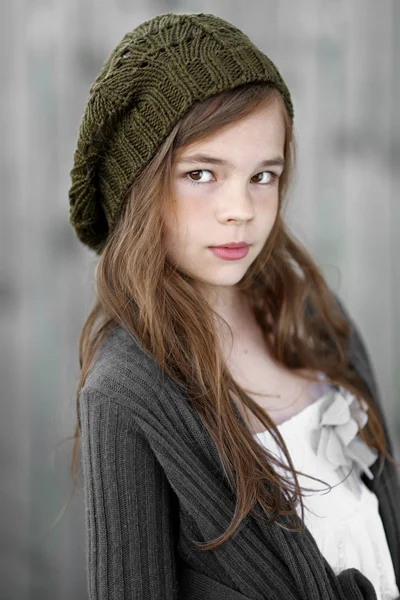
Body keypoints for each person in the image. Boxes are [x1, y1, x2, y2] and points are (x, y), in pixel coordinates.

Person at [67, 11, 400, 600]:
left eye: (262, 175)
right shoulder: (125, 394)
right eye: (201, 173)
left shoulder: (317, 320)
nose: (240, 209)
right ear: (138, 189)